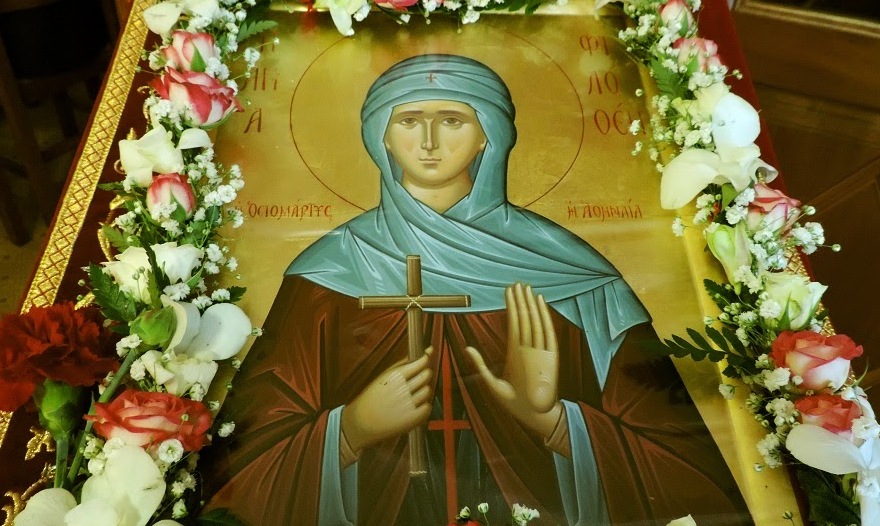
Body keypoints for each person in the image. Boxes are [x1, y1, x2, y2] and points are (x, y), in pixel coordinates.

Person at [203, 54, 751, 525]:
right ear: (380, 136)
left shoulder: (574, 276)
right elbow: (239, 476)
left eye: (452, 120)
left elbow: (689, 478)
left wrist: (554, 422)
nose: (429, 142)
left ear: (488, 132)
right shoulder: (326, 274)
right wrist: (350, 431)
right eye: (409, 120)